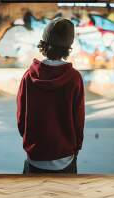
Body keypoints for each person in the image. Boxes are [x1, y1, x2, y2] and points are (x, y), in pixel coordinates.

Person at [17, 17, 85, 174]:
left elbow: (21, 118)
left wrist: (31, 142)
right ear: (68, 46)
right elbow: (79, 121)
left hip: (35, 157)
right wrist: (76, 148)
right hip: (65, 159)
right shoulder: (75, 78)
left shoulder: (28, 76)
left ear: (44, 43)